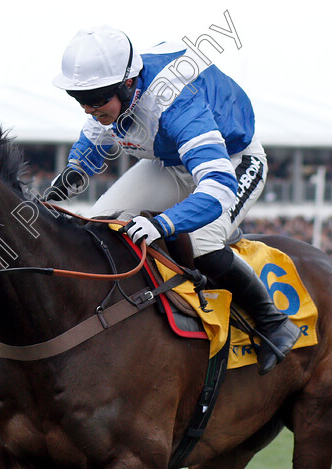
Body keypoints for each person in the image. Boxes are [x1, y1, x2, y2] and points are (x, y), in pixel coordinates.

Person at [47, 25, 299, 375]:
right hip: (169, 162)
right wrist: (62, 184)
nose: (89, 109)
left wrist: (161, 223)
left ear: (128, 84)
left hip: (233, 162)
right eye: (80, 99)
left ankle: (273, 321)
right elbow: (90, 144)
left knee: (201, 241)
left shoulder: (176, 104)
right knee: (100, 224)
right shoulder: (108, 98)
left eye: (96, 99)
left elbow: (217, 188)